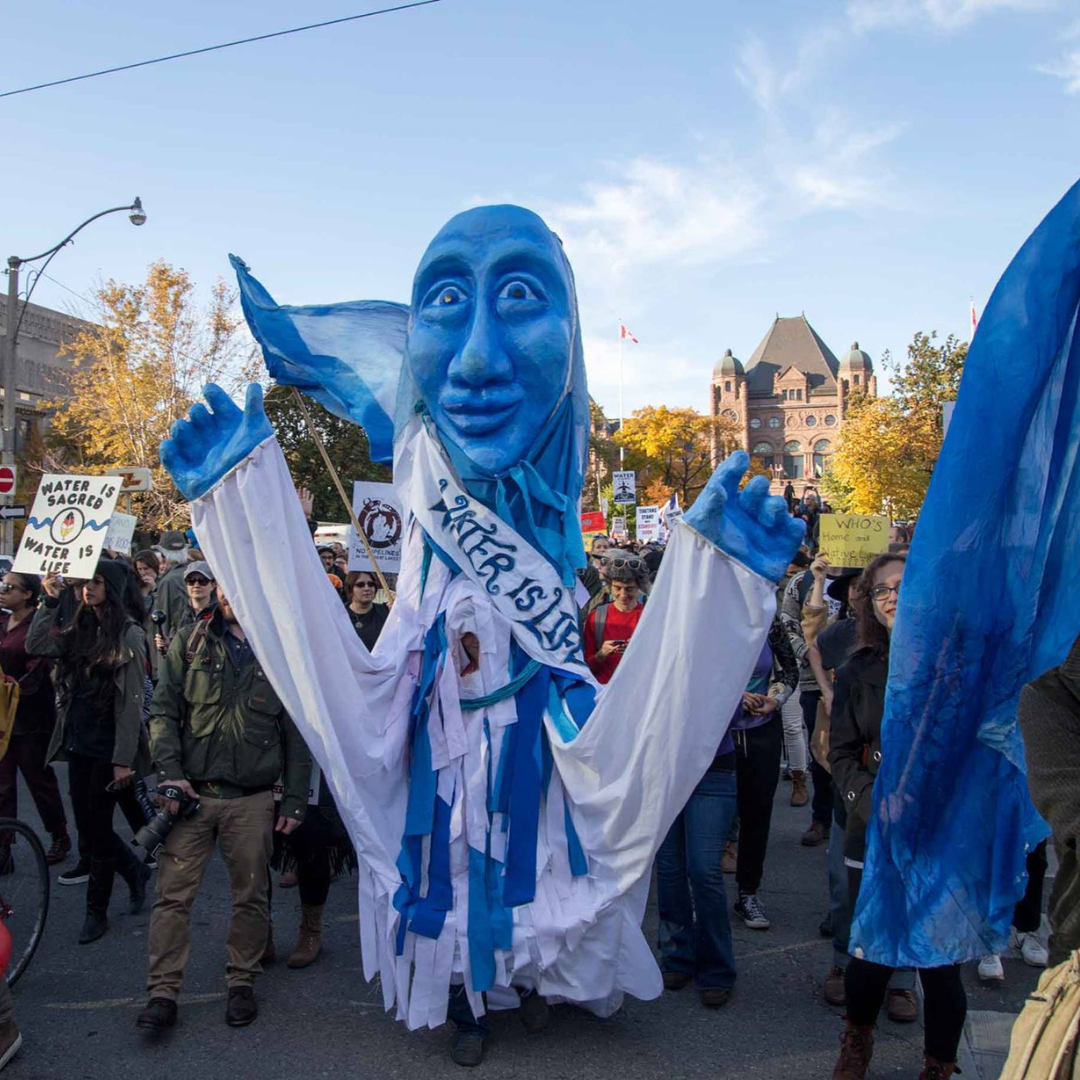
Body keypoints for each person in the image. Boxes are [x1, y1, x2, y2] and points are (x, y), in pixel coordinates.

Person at [138, 590, 310, 1031]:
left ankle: (241, 983)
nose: (232, 591)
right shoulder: (189, 640)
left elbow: (296, 731)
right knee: (173, 897)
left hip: (251, 799)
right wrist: (170, 772)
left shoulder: (280, 649)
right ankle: (162, 993)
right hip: (191, 797)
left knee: (250, 895)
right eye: (223, 582)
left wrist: (294, 798)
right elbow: (162, 710)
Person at [830, 553, 967, 1080]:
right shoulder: (857, 669)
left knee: (940, 958)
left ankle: (938, 1065)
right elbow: (839, 753)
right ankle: (856, 1043)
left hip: (942, 825)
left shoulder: (955, 664)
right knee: (872, 949)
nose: (891, 597)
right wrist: (869, 798)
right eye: (880, 590)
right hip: (878, 825)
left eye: (901, 587)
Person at [28, 561, 152, 944]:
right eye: (85, 582)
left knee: (96, 830)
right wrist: (48, 602)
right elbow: (37, 645)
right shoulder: (79, 626)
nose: (88, 589)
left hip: (108, 743)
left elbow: (131, 704)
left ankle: (95, 910)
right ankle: (133, 869)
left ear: (112, 588)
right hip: (78, 739)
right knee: (89, 829)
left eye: (97, 582)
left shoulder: (128, 634)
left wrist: (123, 759)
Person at [728, 616, 798, 931]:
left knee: (757, 814)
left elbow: (790, 670)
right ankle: (701, 896)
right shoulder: (710, 614)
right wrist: (732, 695)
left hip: (762, 732)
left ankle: (748, 893)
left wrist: (775, 697)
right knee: (710, 818)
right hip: (718, 733)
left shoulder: (770, 621)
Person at [0, 572, 70, 865]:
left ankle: (59, 835)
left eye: (8, 587)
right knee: (2, 784)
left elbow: (38, 665)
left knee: (39, 780)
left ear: (28, 594)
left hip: (30, 715)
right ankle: (3, 846)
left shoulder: (38, 624)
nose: (2, 591)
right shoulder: (2, 622)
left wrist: (12, 687)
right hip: (2, 716)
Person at [781, 557, 835, 846]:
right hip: (815, 682)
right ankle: (821, 818)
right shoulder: (801, 583)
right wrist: (807, 654)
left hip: (856, 680)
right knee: (821, 752)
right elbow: (788, 623)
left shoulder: (864, 577)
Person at [583, 554, 648, 684]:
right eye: (617, 588)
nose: (623, 595)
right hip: (605, 690)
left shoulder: (649, 616)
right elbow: (585, 667)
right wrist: (601, 654)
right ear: (609, 587)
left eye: (629, 589)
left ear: (638, 588)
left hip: (640, 688)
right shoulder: (596, 618)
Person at [153, 561, 216, 655]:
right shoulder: (180, 613)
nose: (196, 585)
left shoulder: (220, 614)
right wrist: (169, 646)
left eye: (203, 580)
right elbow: (176, 653)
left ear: (213, 584)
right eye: (191, 580)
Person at [153, 530, 192, 639]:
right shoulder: (194, 574)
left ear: (163, 554)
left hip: (175, 642)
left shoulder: (169, 581)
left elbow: (163, 620)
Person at [344, 571, 390, 650]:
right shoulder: (339, 614)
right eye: (360, 585)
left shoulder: (386, 611)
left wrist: (397, 615)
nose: (367, 588)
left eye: (371, 584)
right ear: (350, 589)